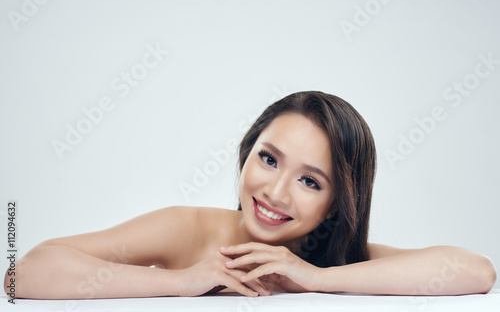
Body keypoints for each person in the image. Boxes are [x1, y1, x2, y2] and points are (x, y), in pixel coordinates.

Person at [4, 91, 497, 299]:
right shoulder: (189, 229)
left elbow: (476, 271)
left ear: (339, 203)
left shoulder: (332, 257)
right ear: (247, 153)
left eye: (310, 181)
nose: (276, 191)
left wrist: (317, 278)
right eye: (268, 158)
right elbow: (22, 273)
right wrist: (183, 282)